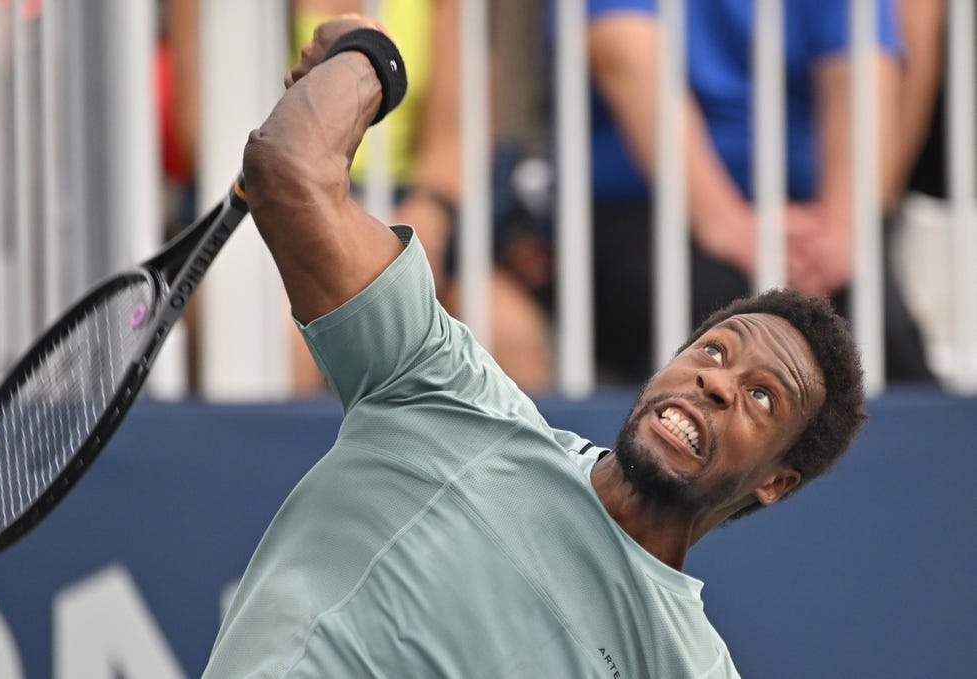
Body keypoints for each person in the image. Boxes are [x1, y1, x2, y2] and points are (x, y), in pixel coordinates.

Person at [203, 14, 866, 678]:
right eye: (713, 351)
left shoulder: (684, 666)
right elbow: (290, 169)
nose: (716, 382)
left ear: (777, 480)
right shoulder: (443, 391)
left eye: (760, 396)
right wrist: (369, 57)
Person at [584, 0, 936, 384]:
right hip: (649, 210)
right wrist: (728, 224)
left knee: (883, 339)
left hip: (808, 222)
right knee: (707, 333)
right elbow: (622, 54)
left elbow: (860, 68)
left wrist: (838, 234)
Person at [287, 0, 554, 395]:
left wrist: (426, 215)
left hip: (410, 214)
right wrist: (336, 220)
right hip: (290, 214)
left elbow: (459, 131)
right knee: (283, 335)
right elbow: (206, 132)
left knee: (508, 331)